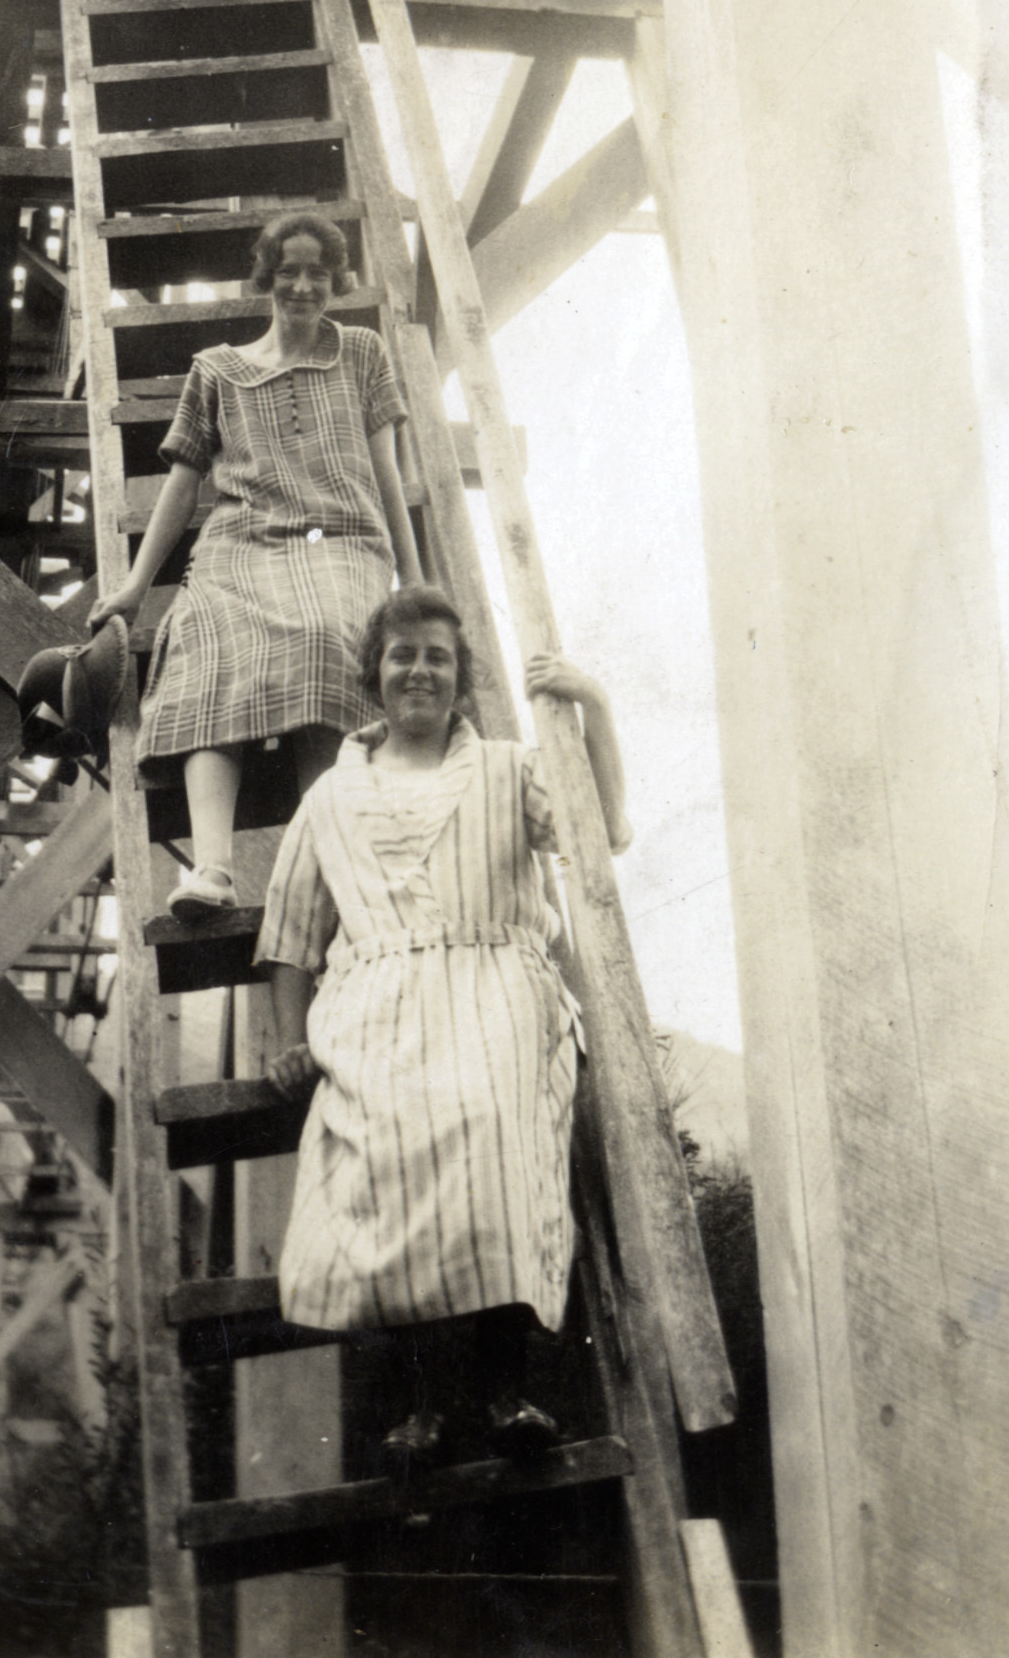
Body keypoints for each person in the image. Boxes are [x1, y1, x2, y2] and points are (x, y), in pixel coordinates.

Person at [257, 583, 632, 1468]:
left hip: (495, 983)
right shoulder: (330, 799)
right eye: (402, 656)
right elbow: (289, 938)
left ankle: (506, 1394)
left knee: (491, 1123)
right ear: (374, 674)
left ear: (460, 677)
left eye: (437, 657)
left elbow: (600, 832)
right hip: (377, 1006)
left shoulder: (506, 768)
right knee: (392, 1144)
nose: (419, 671)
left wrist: (595, 708)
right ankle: (419, 1407)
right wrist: (288, 1042)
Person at [90, 209, 423, 918]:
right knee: (204, 636)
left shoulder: (362, 353)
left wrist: (415, 578)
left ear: (335, 282)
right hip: (241, 544)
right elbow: (183, 484)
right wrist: (134, 587)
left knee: (327, 634)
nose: (303, 286)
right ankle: (212, 871)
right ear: (268, 277)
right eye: (289, 271)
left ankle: (328, 867)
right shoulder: (216, 370)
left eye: (318, 274)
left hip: (340, 539)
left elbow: (387, 473)